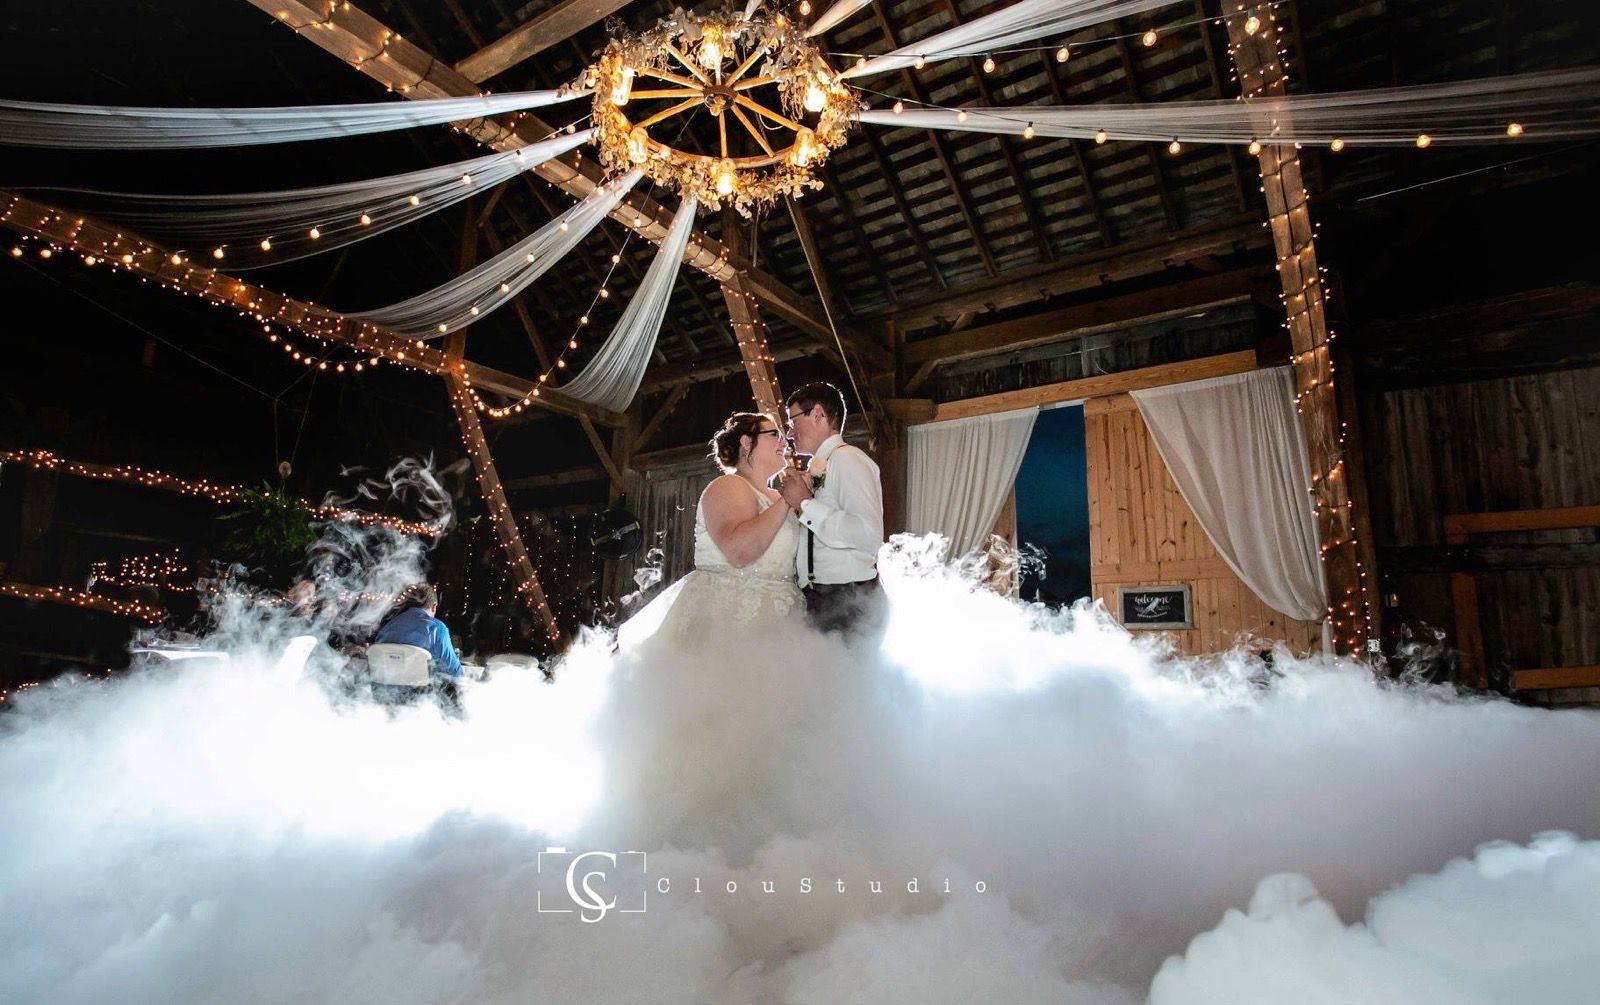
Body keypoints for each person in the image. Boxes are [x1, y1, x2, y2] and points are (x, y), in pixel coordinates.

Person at [623, 412, 803, 646]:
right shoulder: (728, 486)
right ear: (747, 442)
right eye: (774, 434)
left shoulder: (779, 497)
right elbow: (739, 552)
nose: (783, 441)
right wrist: (787, 500)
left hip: (782, 618)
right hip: (728, 618)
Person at [780, 382, 888, 639]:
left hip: (847, 600)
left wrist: (806, 504)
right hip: (824, 598)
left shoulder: (847, 459)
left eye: (793, 421)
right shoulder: (824, 463)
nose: (790, 433)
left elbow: (868, 535)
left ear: (818, 414)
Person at [370, 583, 463, 709]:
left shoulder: (387, 627)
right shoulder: (435, 627)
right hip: (421, 701)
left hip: (384, 699)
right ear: (434, 606)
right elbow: (453, 671)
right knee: (454, 688)